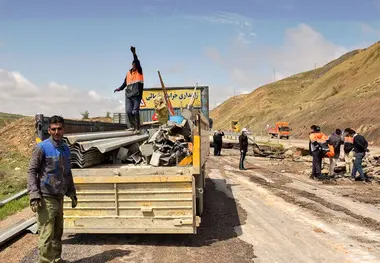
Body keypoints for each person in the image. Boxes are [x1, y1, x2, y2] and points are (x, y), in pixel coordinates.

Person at [27, 115, 77, 263]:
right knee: (47, 233)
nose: (56, 132)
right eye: (53, 129)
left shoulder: (65, 149)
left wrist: (72, 192)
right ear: (49, 130)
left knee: (57, 232)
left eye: (59, 129)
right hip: (45, 196)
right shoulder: (41, 148)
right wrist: (34, 195)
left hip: (59, 196)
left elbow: (67, 173)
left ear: (63, 130)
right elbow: (31, 171)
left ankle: (56, 259)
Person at [114, 46, 144, 132]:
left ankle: (138, 128)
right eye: (133, 64)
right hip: (129, 95)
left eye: (136, 64)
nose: (134, 65)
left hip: (136, 95)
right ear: (132, 65)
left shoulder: (139, 71)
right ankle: (132, 126)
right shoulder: (128, 73)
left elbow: (137, 62)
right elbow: (124, 84)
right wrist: (119, 89)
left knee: (135, 112)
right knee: (128, 112)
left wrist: (134, 53)